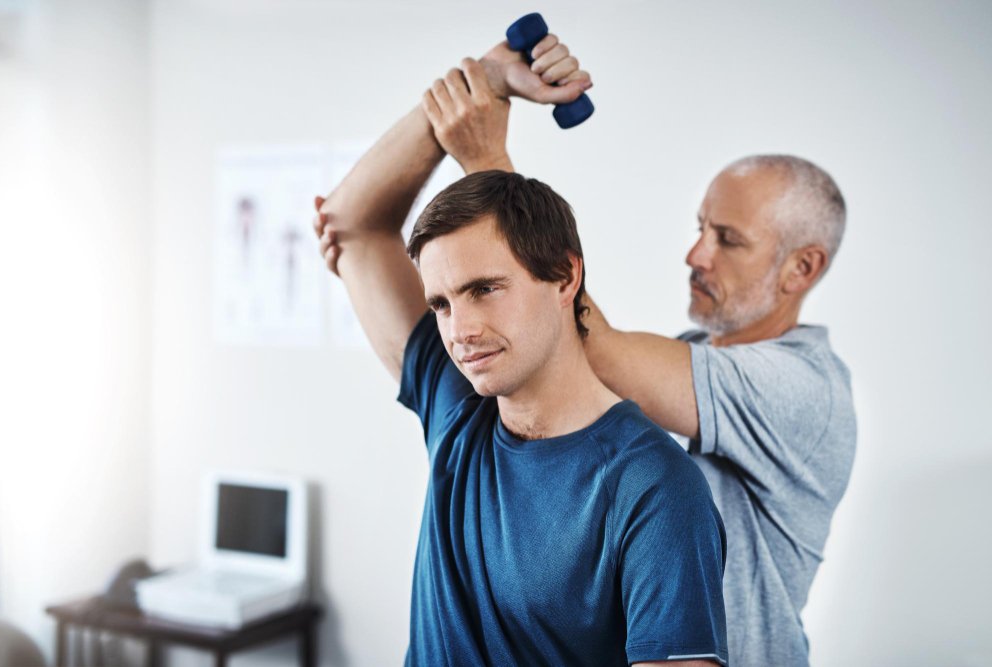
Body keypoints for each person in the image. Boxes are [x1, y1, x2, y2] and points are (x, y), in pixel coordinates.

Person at [389, 35, 858, 667]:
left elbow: (592, 344)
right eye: (699, 229)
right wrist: (491, 76)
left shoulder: (801, 390)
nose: (696, 254)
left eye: (727, 239)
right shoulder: (700, 356)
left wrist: (490, 164)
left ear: (802, 268)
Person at [313, 40, 729, 666]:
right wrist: (485, 79)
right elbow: (348, 225)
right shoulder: (457, 409)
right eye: (443, 304)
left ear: (565, 278)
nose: (461, 330)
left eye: (484, 289)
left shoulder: (654, 489)